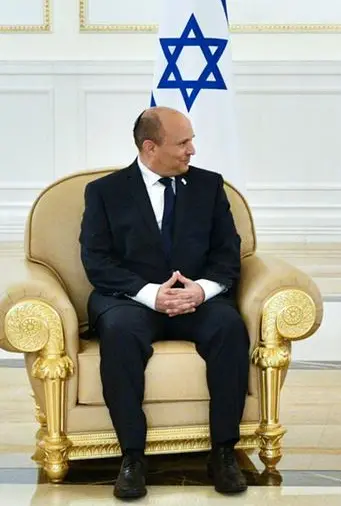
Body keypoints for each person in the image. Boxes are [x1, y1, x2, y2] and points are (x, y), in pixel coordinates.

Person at [79, 107, 250, 499]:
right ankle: (132, 457)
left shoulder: (209, 186)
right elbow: (97, 260)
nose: (192, 150)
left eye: (192, 140)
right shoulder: (105, 192)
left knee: (228, 327)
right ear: (150, 147)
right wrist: (149, 293)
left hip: (195, 298)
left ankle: (223, 452)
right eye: (183, 142)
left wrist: (201, 289)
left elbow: (228, 253)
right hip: (131, 299)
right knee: (119, 333)